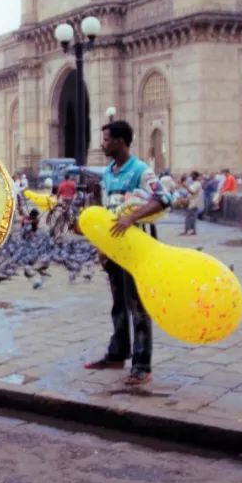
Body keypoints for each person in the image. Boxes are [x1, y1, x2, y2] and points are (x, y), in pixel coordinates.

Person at [84, 120, 171, 385]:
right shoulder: (109, 171)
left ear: (121, 142)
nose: (103, 144)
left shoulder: (141, 170)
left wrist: (132, 217)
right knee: (119, 305)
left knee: (138, 307)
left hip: (137, 250)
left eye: (107, 139)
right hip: (114, 250)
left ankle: (142, 365)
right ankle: (117, 353)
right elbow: (109, 213)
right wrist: (102, 246)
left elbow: (164, 198)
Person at [180, 171, 202, 236]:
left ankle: (186, 231)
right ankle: (193, 231)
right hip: (193, 202)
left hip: (193, 203)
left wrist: (186, 186)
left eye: (192, 175)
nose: (191, 177)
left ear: (196, 176)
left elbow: (192, 192)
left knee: (189, 218)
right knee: (192, 218)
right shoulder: (195, 183)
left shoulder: (197, 184)